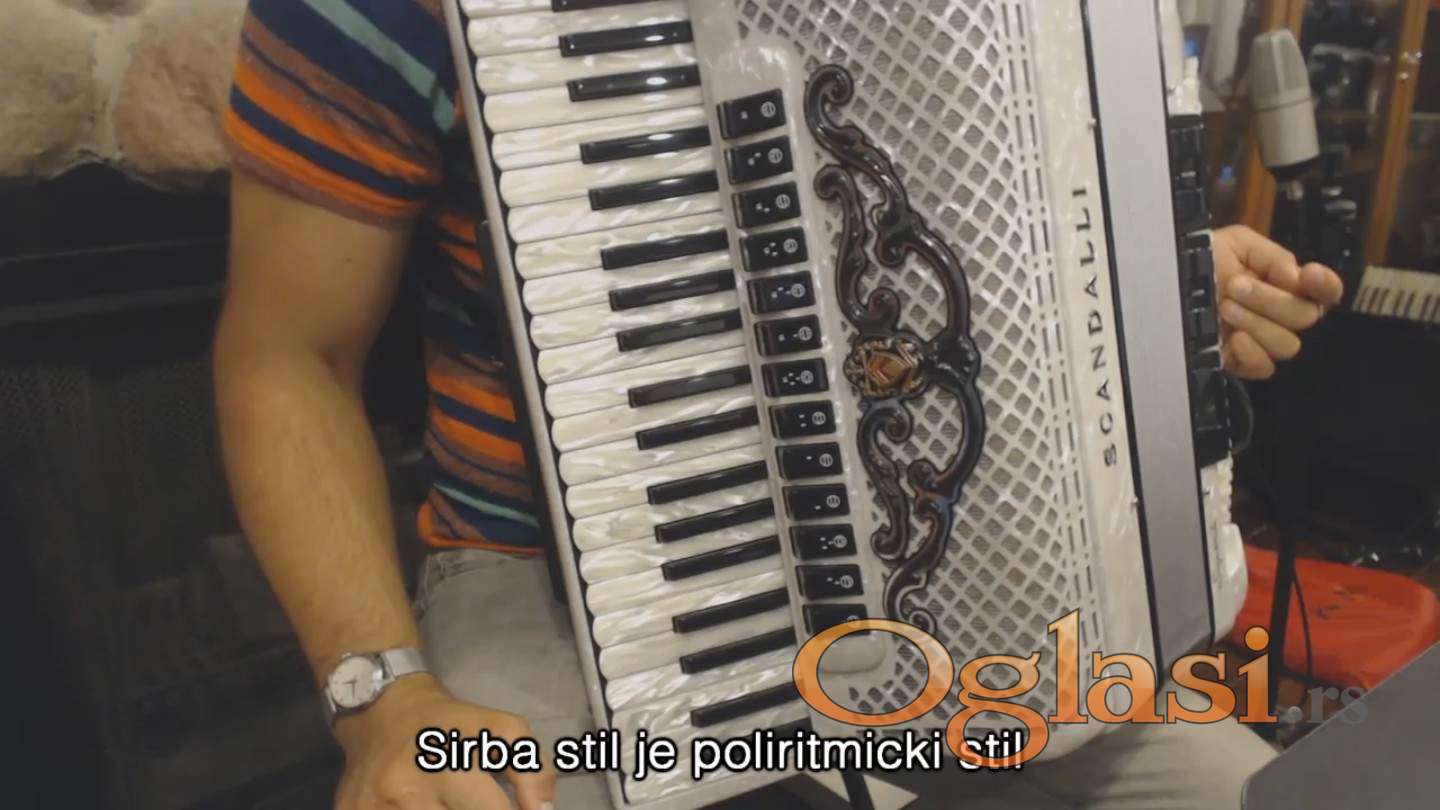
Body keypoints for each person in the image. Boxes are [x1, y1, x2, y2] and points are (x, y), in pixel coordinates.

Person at [212, 2, 1345, 809]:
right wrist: (382, 696)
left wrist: (1153, 295)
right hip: (543, 579)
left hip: (990, 576)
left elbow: (984, 200)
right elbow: (286, 357)